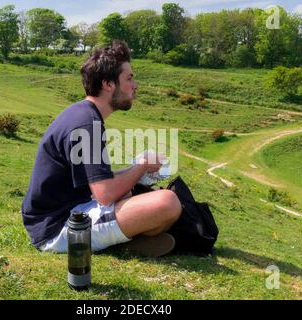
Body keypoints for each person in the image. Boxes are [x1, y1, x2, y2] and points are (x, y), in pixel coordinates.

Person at [21, 41, 182, 257]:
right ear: (108, 84)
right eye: (129, 78)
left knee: (134, 192)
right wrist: (142, 164)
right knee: (167, 202)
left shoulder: (83, 114)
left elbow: (99, 183)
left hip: (68, 211)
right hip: (57, 227)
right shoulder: (87, 123)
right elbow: (105, 194)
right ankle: (119, 243)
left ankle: (120, 242)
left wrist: (136, 172)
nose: (135, 85)